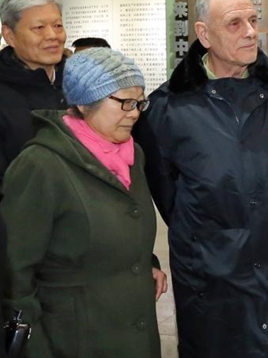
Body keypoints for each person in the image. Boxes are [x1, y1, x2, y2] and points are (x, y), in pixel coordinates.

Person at [136, 0, 268, 357]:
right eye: (235, 23)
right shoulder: (168, 109)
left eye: (253, 20)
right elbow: (166, 192)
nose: (251, 31)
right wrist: (211, 240)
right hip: (213, 280)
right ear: (204, 34)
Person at [1, 47, 166, 358]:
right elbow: (15, 274)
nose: (134, 112)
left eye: (139, 102)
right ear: (84, 103)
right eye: (124, 102)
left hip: (132, 333)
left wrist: (145, 263)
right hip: (74, 339)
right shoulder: (40, 165)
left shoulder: (132, 155)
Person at [0, 0, 68, 200]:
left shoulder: (82, 83)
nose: (52, 35)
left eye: (58, 25)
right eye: (39, 28)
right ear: (9, 35)